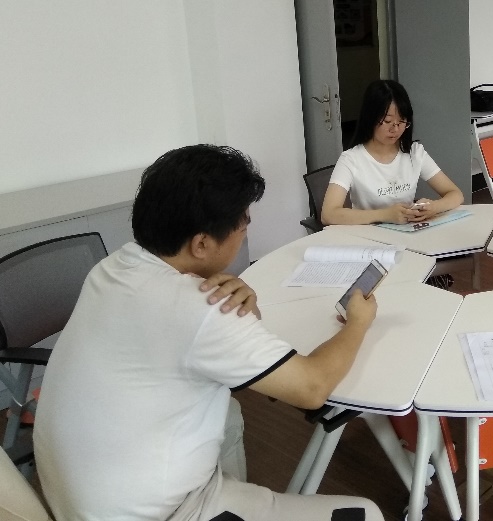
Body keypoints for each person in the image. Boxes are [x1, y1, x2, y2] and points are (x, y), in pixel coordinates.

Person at [34, 145, 383, 521]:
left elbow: (189, 340)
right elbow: (311, 388)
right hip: (158, 513)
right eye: (243, 225)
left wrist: (245, 308)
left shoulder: (112, 267)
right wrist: (359, 321)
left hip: (77, 495)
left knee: (228, 415)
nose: (244, 233)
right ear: (201, 243)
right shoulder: (200, 308)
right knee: (366, 513)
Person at [321, 79, 463, 227]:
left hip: (407, 233)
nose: (395, 129)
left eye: (402, 122)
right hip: (368, 236)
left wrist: (433, 207)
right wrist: (385, 215)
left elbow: (455, 194)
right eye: (388, 122)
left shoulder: (414, 152)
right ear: (370, 119)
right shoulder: (351, 159)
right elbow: (328, 214)